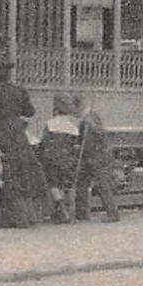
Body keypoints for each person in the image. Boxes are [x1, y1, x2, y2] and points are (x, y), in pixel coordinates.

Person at [0, 51, 44, 227]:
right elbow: (30, 112)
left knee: (6, 173)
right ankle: (29, 216)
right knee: (23, 172)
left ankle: (9, 218)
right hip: (18, 134)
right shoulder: (19, 90)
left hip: (1, 133)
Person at [73, 94, 120, 222]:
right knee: (83, 182)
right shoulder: (89, 118)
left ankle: (112, 214)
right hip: (94, 156)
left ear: (78, 107)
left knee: (102, 184)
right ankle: (82, 213)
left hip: (98, 156)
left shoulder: (89, 119)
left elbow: (97, 136)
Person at [37, 94, 82, 223]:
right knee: (68, 186)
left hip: (52, 160)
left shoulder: (50, 124)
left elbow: (44, 143)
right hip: (68, 160)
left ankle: (62, 210)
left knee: (54, 185)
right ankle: (71, 214)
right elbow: (76, 147)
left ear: (55, 110)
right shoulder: (73, 127)